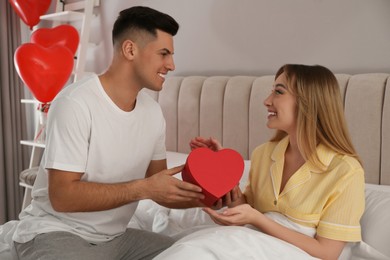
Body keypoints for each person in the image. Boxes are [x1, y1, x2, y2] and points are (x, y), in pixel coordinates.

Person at [12, 6, 205, 260]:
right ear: (130, 50)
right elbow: (62, 197)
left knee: (193, 254)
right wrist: (143, 189)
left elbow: (161, 187)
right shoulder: (75, 103)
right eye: (163, 53)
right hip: (57, 232)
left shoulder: (153, 113)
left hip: (116, 239)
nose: (171, 64)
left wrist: (209, 191)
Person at [190, 64, 365, 260]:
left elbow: (327, 253)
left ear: (309, 102)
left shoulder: (346, 171)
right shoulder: (264, 154)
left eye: (278, 92)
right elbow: (248, 211)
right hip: (249, 244)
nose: (266, 101)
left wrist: (258, 219)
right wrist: (223, 174)